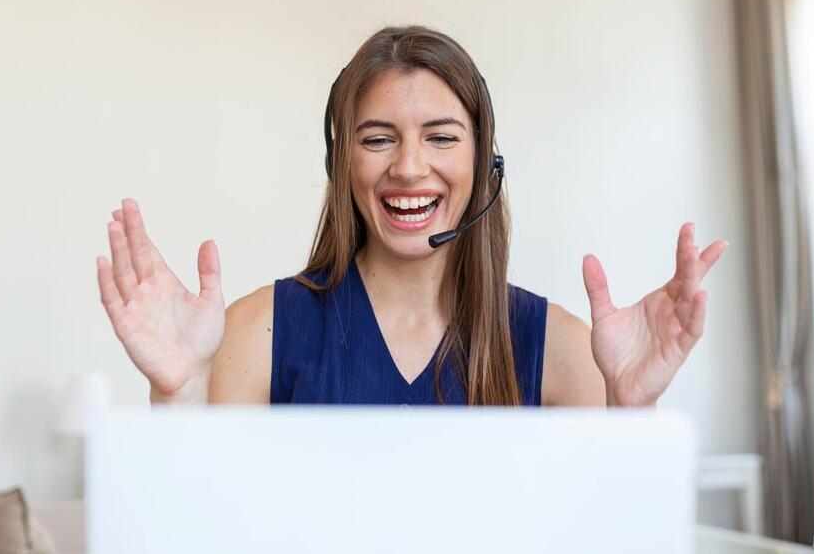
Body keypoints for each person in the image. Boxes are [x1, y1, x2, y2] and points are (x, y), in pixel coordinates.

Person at [96, 26, 727, 407]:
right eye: (377, 139)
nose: (408, 167)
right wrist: (177, 394)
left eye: (442, 137)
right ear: (342, 163)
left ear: (486, 164)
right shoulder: (256, 332)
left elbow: (605, 535)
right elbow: (206, 529)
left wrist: (630, 407)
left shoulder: (562, 347)